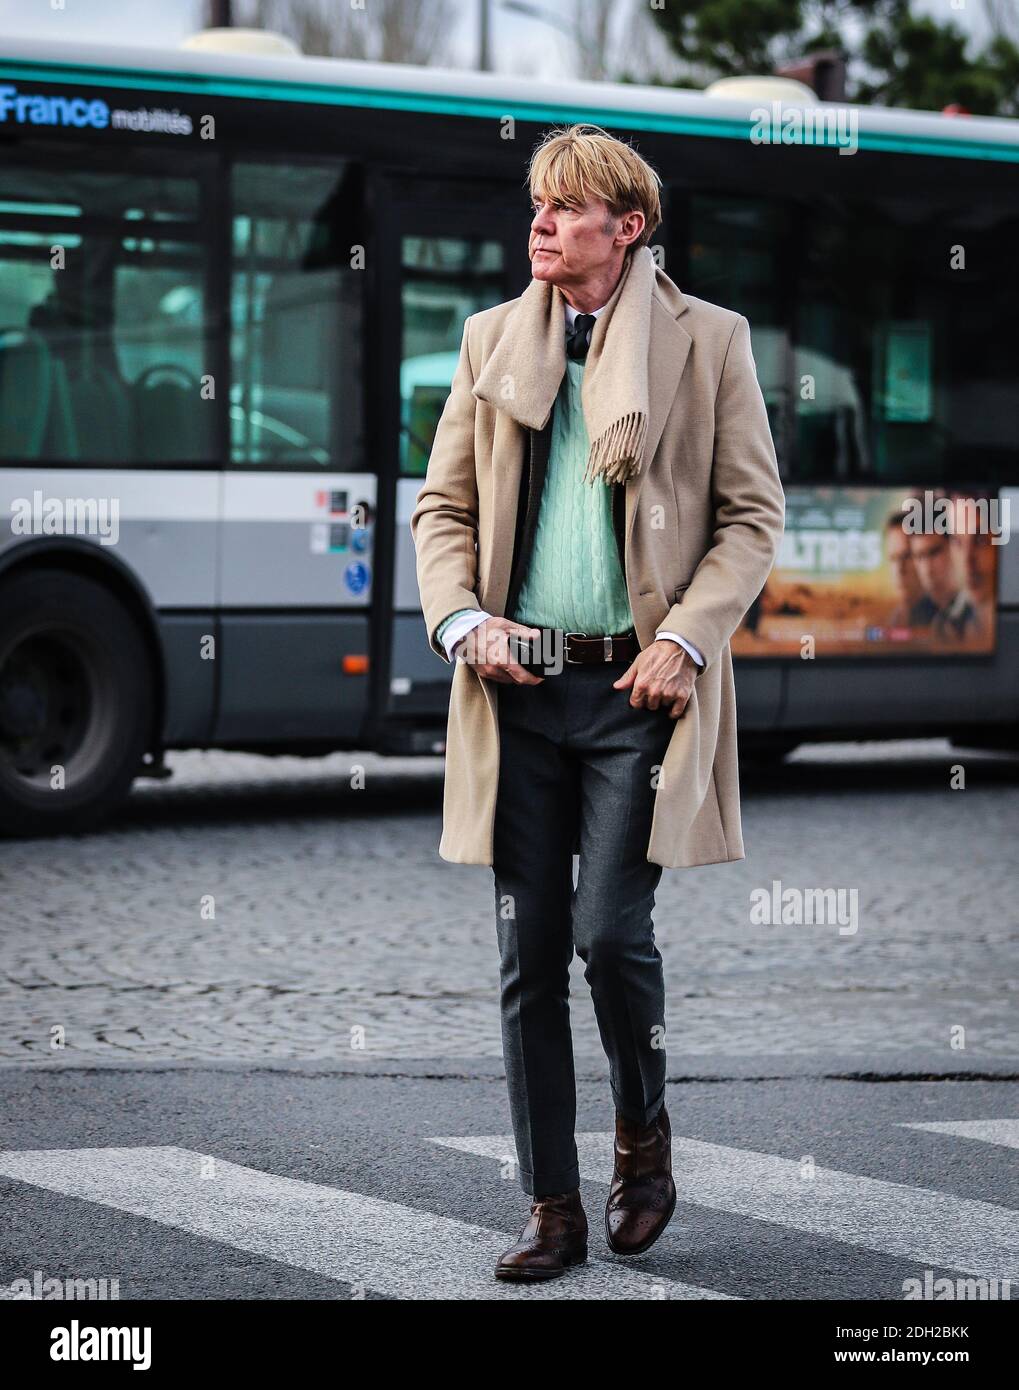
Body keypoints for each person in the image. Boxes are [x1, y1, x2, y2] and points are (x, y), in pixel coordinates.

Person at [411, 124, 784, 1281]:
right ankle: (550, 1205)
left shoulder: (708, 340)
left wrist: (683, 640)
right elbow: (442, 510)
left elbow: (748, 518)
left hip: (640, 690)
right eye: (538, 205)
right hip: (514, 688)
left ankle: (641, 1128)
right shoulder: (488, 340)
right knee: (528, 954)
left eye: (568, 209)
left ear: (627, 227)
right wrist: (462, 621)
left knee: (609, 933)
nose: (541, 224)